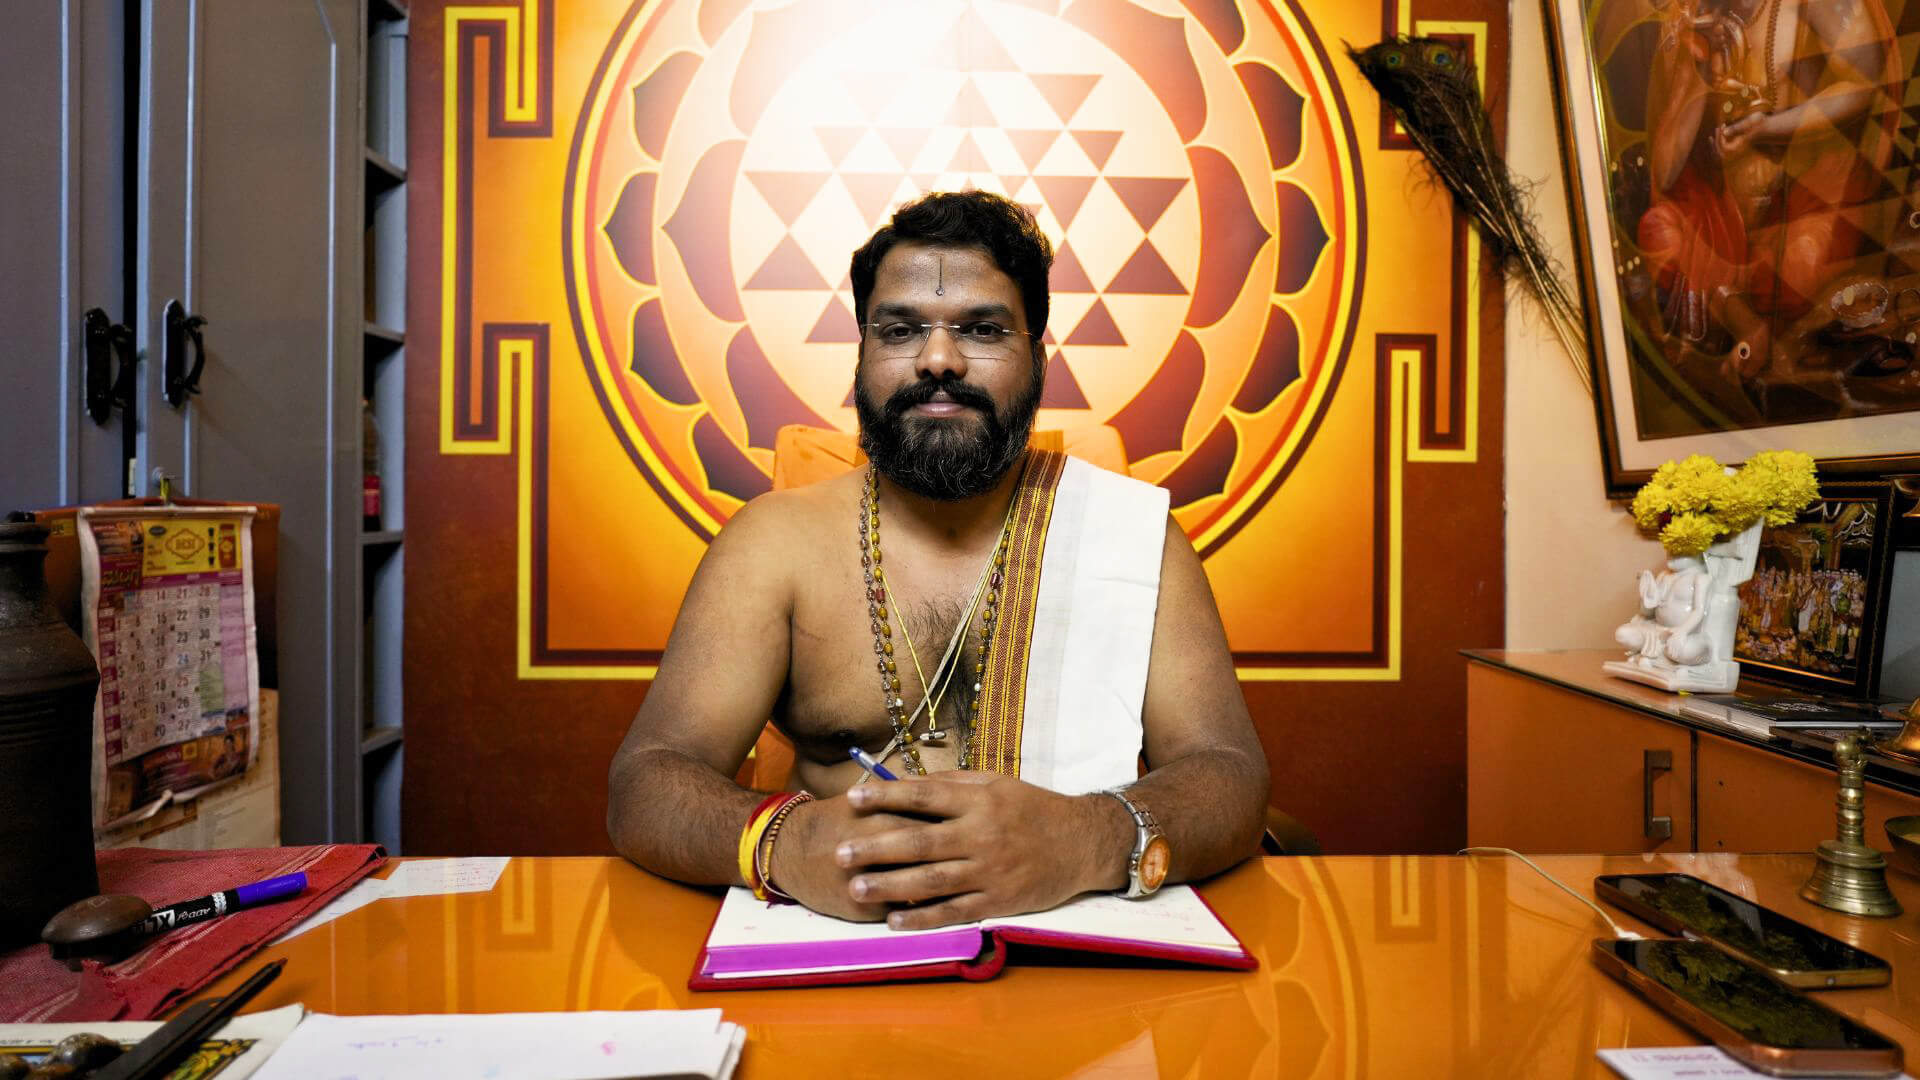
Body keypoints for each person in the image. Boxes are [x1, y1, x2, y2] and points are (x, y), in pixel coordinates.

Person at [607, 190, 1270, 930]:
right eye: (900, 330)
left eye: (982, 329)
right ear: (862, 352)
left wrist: (1085, 838)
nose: (939, 359)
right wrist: (785, 843)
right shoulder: (774, 543)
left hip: (1081, 943)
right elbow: (647, 782)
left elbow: (1231, 777)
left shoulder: (1133, 535)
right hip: (840, 946)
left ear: (1037, 356)